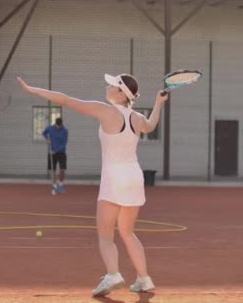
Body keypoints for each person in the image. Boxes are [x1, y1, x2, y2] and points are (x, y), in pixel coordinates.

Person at [17, 73, 168, 297]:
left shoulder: (105, 110)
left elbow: (66, 100)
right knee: (127, 232)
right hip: (134, 177)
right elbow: (151, 125)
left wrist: (33, 90)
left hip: (114, 177)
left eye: (112, 85)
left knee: (105, 233)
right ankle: (144, 279)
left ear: (120, 93)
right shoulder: (136, 117)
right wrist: (158, 103)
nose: (107, 87)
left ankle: (113, 273)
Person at [42, 117, 68, 195]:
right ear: (55, 124)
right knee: (53, 170)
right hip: (51, 152)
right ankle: (54, 186)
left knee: (62, 169)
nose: (58, 127)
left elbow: (64, 143)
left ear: (61, 125)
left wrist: (56, 151)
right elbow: (44, 133)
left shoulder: (65, 131)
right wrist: (47, 139)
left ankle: (61, 183)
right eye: (57, 126)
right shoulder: (50, 128)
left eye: (59, 126)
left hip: (61, 152)